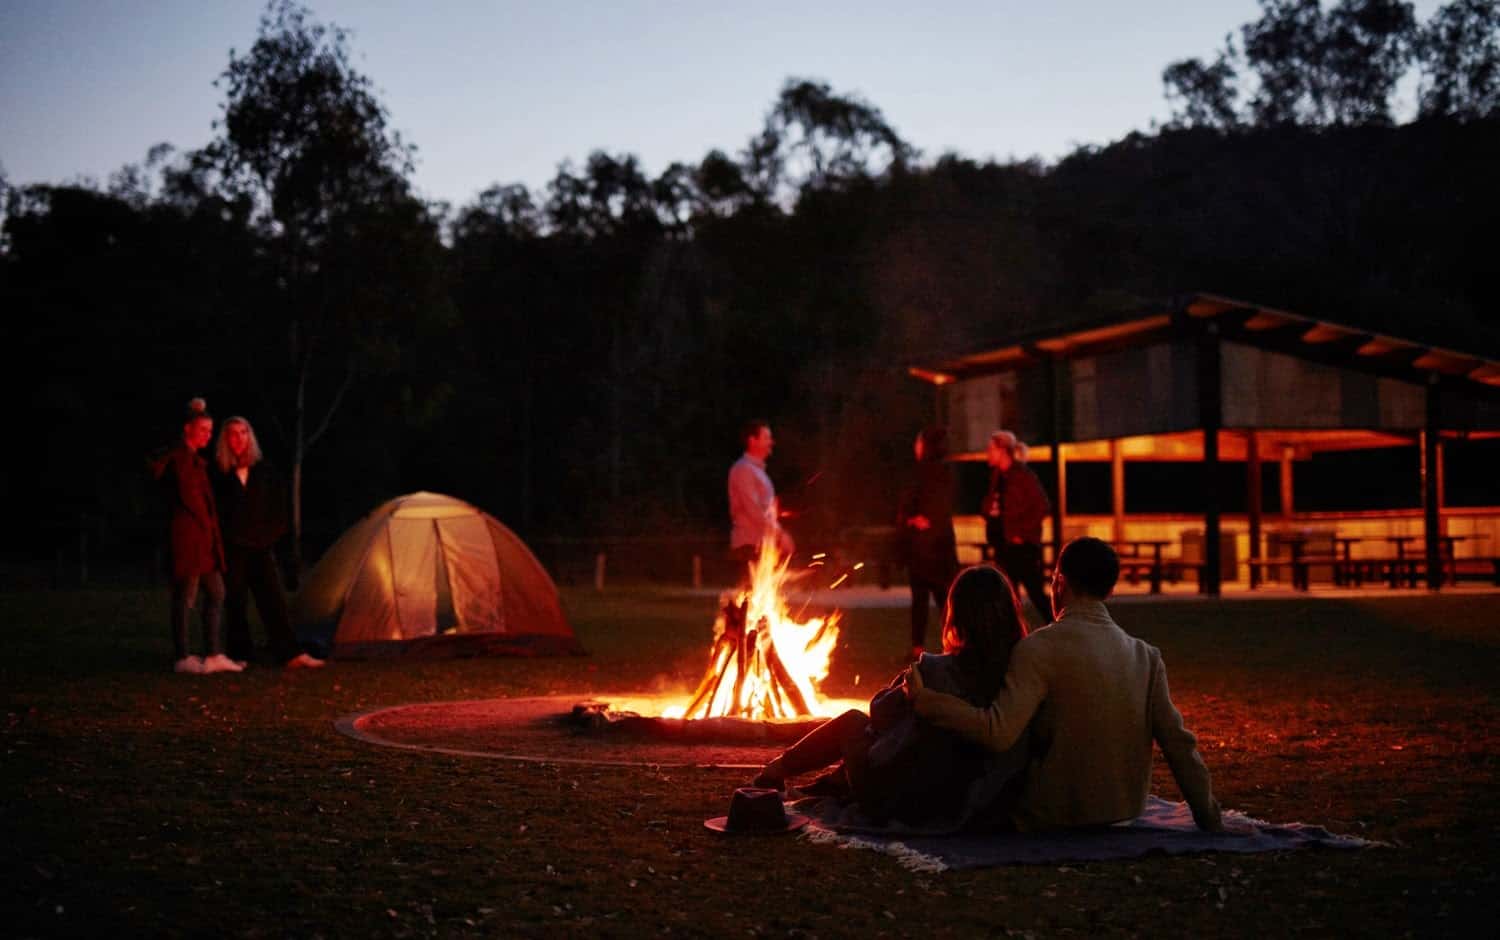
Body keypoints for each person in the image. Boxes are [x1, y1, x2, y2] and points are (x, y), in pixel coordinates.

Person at [905, 536, 1224, 832]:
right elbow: (1179, 745)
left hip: (1053, 814)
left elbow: (996, 732)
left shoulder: (1037, 649)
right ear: (1109, 591)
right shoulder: (1146, 656)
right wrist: (1208, 816)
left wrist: (927, 700)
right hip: (1124, 810)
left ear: (1059, 583)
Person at [751, 565, 1030, 828]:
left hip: (898, 800)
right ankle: (833, 781)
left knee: (852, 721)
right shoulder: (1019, 673)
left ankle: (777, 769)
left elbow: (880, 712)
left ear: (957, 617)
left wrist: (904, 684)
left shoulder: (935, 670)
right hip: (964, 798)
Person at [212, 417, 325, 670]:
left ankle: (289, 652)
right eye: (233, 434)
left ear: (250, 437)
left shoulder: (264, 471)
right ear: (226, 440)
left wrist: (270, 534)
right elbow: (217, 513)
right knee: (236, 601)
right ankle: (240, 654)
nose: (238, 438)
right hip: (234, 548)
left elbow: (278, 508)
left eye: (243, 433)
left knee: (273, 599)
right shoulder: (219, 474)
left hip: (261, 546)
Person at [148, 397, 241, 675]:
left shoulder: (196, 462)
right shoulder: (178, 460)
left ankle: (212, 653)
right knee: (185, 597)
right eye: (203, 430)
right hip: (189, 540)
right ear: (188, 429)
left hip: (204, 542)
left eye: (210, 431)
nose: (208, 436)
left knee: (216, 592)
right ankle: (183, 655)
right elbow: (189, 500)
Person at [899, 426, 959, 660]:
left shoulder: (925, 473)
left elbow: (920, 506)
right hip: (936, 546)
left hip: (928, 548)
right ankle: (948, 644)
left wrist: (914, 519)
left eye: (918, 442)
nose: (915, 447)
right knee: (938, 599)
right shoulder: (943, 472)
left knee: (933, 599)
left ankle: (944, 645)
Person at [983, 429, 1051, 623]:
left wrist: (1022, 534)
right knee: (1009, 597)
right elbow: (995, 505)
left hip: (1021, 547)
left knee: (1035, 592)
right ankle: (1016, 636)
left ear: (1002, 450)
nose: (988, 453)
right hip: (1003, 545)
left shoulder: (1022, 475)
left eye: (991, 449)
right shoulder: (998, 477)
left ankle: (1057, 628)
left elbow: (1041, 506)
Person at [727, 419, 794, 565]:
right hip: (749, 547)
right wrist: (780, 534)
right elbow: (753, 509)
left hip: (763, 547)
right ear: (752, 441)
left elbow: (766, 511)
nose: (771, 442)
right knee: (752, 589)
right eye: (766, 438)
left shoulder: (758, 472)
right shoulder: (743, 470)